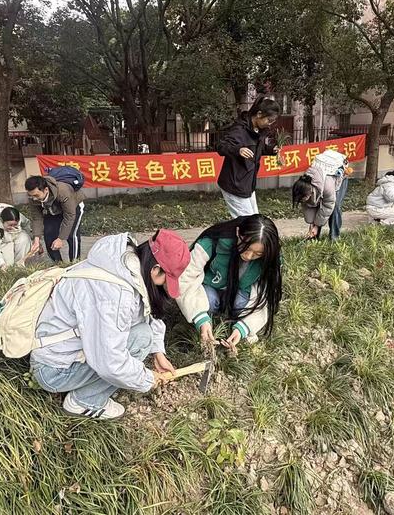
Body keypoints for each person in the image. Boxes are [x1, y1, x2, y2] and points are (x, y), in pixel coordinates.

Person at [30, 230, 191, 420]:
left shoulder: (122, 262)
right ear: (155, 269)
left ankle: (84, 390)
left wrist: (158, 352)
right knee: (141, 339)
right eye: (167, 279)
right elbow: (110, 361)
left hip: (57, 350)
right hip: (53, 370)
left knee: (144, 335)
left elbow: (145, 310)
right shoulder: (115, 295)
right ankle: (84, 402)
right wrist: (146, 379)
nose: (164, 286)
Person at [177, 214, 282, 351]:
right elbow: (184, 279)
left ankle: (233, 317)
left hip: (240, 292)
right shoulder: (212, 242)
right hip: (211, 287)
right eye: (246, 248)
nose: (248, 256)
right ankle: (207, 315)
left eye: (258, 254)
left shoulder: (270, 259)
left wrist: (243, 328)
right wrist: (200, 317)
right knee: (210, 301)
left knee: (241, 305)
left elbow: (264, 299)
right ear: (238, 232)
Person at [216, 97, 282, 218]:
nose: (270, 123)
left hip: (247, 184)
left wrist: (271, 150)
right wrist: (238, 150)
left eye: (272, 121)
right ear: (259, 114)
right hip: (234, 184)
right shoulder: (240, 130)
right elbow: (221, 146)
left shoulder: (258, 131)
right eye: (269, 120)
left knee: (253, 220)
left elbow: (258, 149)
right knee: (249, 224)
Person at [291, 150, 351, 240]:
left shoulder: (327, 186)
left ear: (309, 193)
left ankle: (334, 237)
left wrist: (317, 225)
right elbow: (309, 206)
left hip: (338, 179)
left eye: (304, 199)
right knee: (316, 208)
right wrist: (312, 224)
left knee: (335, 207)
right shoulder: (304, 185)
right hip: (321, 180)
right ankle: (314, 237)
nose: (303, 201)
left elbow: (328, 206)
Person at [25, 174, 85, 262]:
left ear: (46, 190)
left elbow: (69, 216)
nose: (34, 199)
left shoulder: (63, 191)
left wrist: (61, 238)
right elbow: (36, 218)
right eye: (31, 196)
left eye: (36, 195)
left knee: (71, 235)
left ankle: (74, 262)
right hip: (52, 209)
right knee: (49, 235)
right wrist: (36, 239)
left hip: (73, 207)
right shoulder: (32, 197)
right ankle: (58, 263)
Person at [0, 203, 34, 270]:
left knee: (24, 237)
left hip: (15, 238)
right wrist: (1, 263)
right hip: (1, 244)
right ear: (2, 221)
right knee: (7, 265)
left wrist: (35, 242)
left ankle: (20, 265)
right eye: (10, 225)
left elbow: (27, 225)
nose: (12, 227)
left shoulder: (19, 217)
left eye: (15, 224)